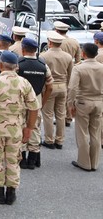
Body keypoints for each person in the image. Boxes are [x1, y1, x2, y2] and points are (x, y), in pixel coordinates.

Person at [0, 51, 40, 205]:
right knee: (13, 158)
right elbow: (34, 107)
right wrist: (30, 128)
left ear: (0, 64)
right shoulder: (24, 83)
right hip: (15, 128)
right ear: (16, 67)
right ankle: (11, 193)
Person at [17, 38, 53, 169]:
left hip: (20, 100)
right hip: (36, 99)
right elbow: (50, 86)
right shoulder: (43, 65)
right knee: (35, 127)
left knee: (21, 126)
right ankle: (33, 158)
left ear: (23, 49)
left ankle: (22, 158)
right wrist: (42, 101)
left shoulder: (18, 64)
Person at [67, 43, 103, 171]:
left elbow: (72, 88)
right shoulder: (101, 67)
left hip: (83, 101)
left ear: (83, 53)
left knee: (82, 133)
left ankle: (84, 162)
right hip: (99, 101)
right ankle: (94, 163)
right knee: (96, 133)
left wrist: (70, 104)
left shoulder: (79, 68)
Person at [40, 31, 73, 150]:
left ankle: (49, 140)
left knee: (48, 114)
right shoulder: (68, 56)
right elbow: (70, 74)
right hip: (63, 86)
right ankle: (60, 140)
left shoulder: (43, 56)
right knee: (61, 114)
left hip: (50, 86)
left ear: (50, 42)